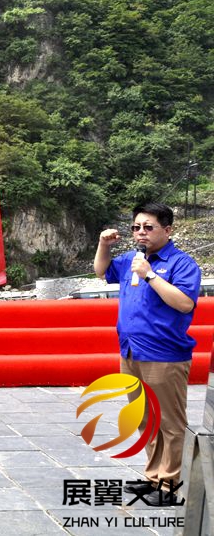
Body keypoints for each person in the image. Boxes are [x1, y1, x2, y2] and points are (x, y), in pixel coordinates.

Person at [94, 202, 201, 501]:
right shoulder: (132, 259)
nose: (141, 232)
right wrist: (103, 245)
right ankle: (153, 478)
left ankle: (169, 486)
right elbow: (101, 271)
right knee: (145, 419)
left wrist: (151, 275)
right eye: (136, 227)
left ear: (167, 230)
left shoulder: (181, 263)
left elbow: (185, 304)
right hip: (131, 352)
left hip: (164, 355)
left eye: (148, 227)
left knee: (170, 423)